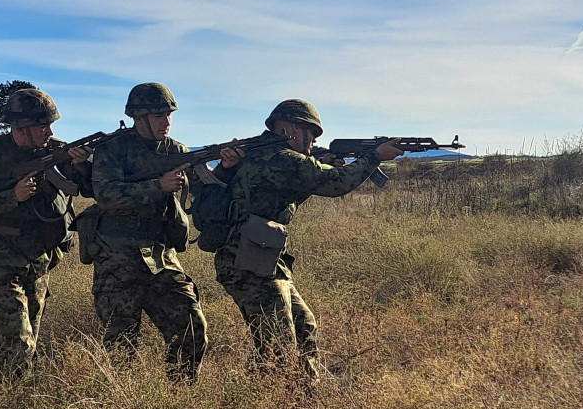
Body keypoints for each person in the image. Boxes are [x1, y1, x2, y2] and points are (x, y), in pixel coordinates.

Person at [214, 99, 403, 380]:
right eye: (311, 134)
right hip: (246, 259)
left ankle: (303, 393)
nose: (313, 141)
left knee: (303, 326)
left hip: (261, 255)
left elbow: (292, 190)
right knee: (278, 343)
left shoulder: (268, 155)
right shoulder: (281, 158)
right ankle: (278, 402)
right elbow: (333, 184)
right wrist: (374, 156)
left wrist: (321, 163)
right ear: (289, 128)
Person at [89, 82, 240, 381]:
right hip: (117, 255)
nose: (166, 121)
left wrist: (226, 167)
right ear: (138, 117)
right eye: (158, 115)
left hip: (160, 254)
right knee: (121, 343)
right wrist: (158, 186)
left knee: (192, 328)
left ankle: (178, 395)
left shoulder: (178, 151)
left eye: (169, 114)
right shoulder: (112, 149)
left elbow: (206, 191)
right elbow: (105, 194)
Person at [0, 88, 93, 382]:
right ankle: (16, 401)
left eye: (51, 124)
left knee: (18, 336)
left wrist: (80, 165)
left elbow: (90, 189)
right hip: (1, 256)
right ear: (20, 127)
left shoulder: (58, 151)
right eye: (43, 125)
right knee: (20, 342)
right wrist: (11, 196)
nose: (49, 131)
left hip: (41, 257)